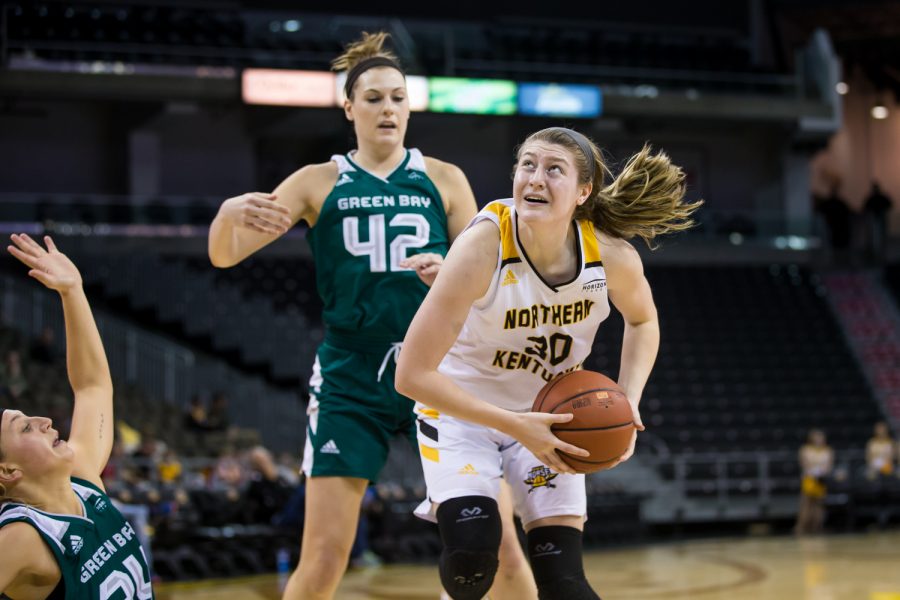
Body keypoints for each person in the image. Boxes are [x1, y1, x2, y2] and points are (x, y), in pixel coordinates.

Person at [208, 31, 535, 600]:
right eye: (376, 98)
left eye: (398, 97)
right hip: (351, 374)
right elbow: (225, 253)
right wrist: (226, 213)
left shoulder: (445, 178)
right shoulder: (318, 181)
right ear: (349, 108)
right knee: (326, 556)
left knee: (500, 547)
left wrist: (452, 274)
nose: (389, 108)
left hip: (438, 368)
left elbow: (495, 283)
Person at [396, 127, 700, 599]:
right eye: (527, 165)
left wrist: (629, 399)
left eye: (553, 169)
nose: (535, 178)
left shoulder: (611, 256)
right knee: (471, 563)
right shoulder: (481, 247)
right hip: (462, 416)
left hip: (550, 416)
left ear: (583, 192)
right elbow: (410, 376)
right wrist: (518, 426)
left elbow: (643, 321)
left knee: (564, 584)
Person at [0, 234, 154, 599]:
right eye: (24, 427)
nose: (45, 421)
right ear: (7, 472)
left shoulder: (83, 478)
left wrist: (72, 293)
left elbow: (92, 387)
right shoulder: (22, 538)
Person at [795, 428, 833, 535]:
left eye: (821, 438)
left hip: (821, 480)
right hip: (809, 479)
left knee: (819, 505)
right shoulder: (806, 449)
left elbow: (829, 465)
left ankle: (817, 527)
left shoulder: (827, 450)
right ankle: (802, 528)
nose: (819, 440)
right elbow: (804, 463)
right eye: (816, 437)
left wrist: (823, 471)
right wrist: (813, 470)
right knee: (806, 504)